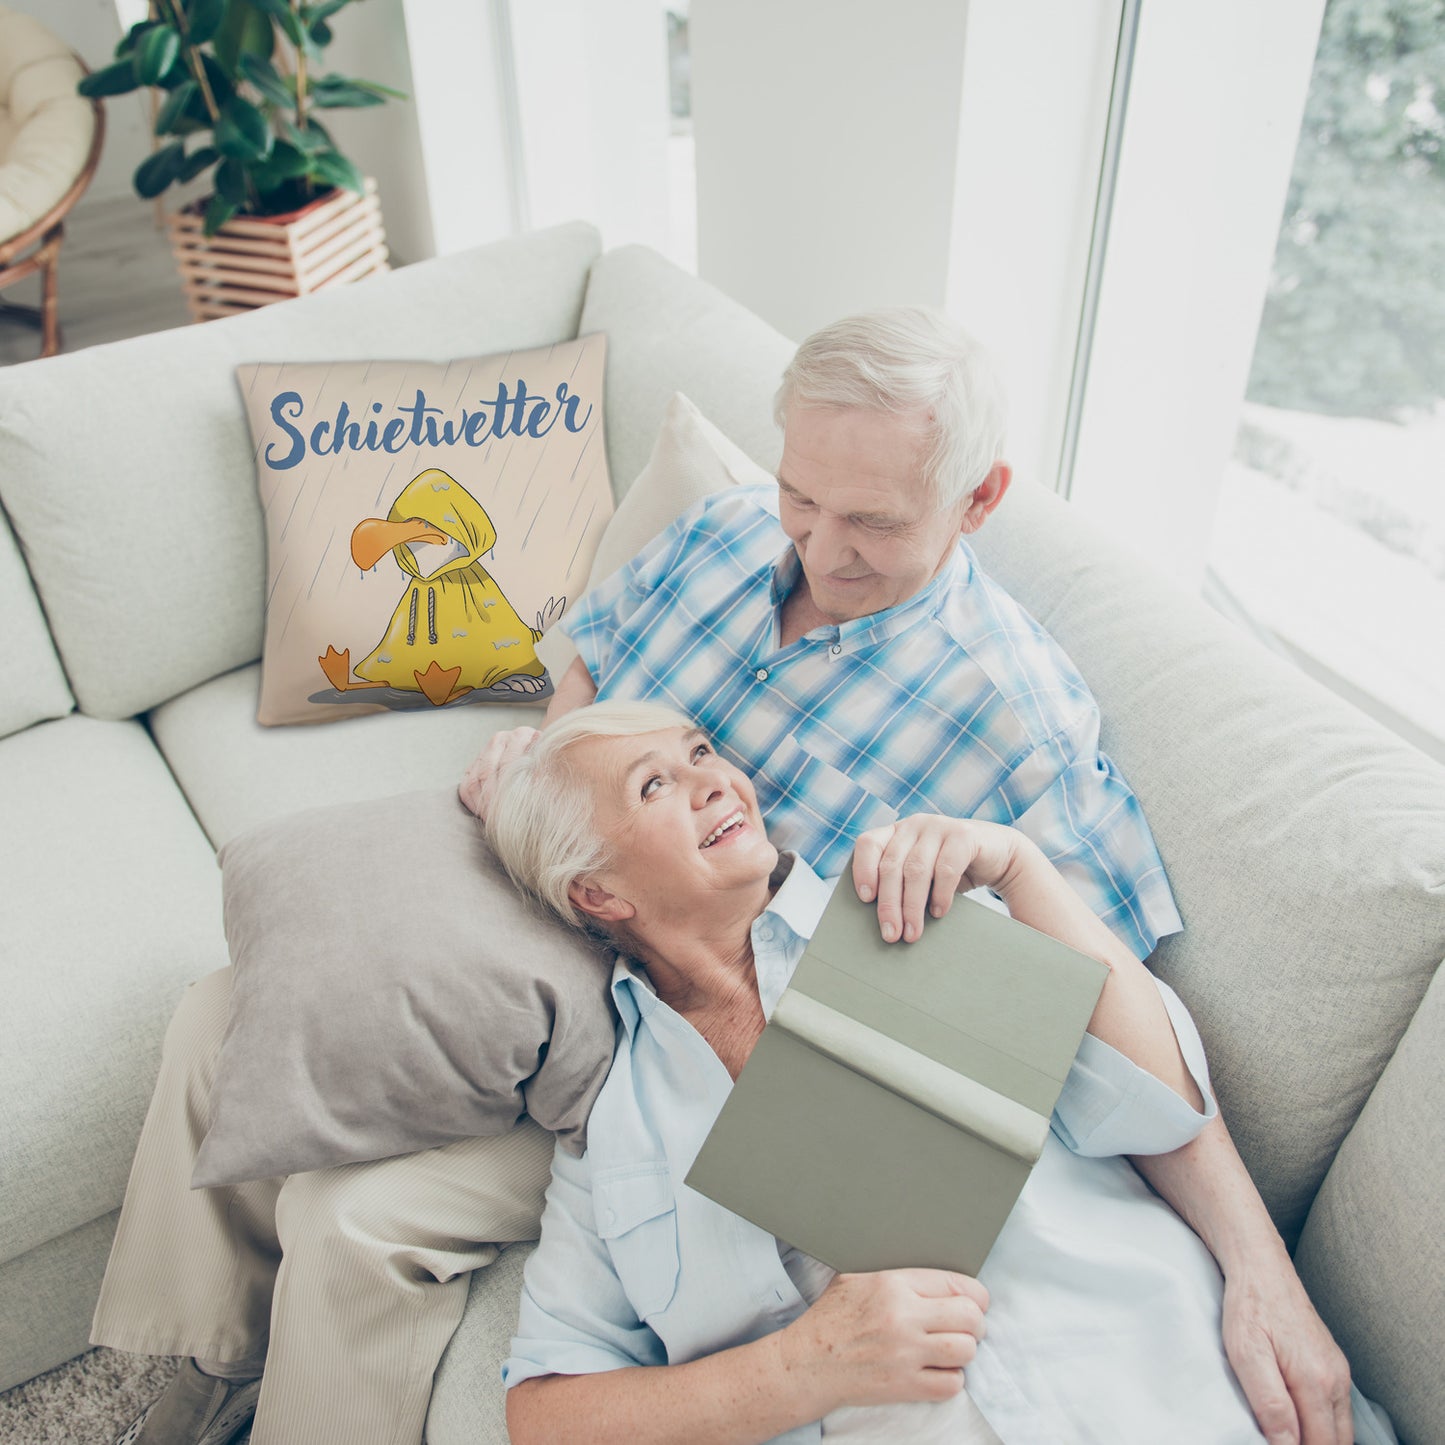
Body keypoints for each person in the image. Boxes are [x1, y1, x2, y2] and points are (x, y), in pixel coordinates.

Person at [94, 309, 1348, 1445]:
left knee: (354, 1218)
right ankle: (193, 1364)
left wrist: (1260, 1266)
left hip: (692, 1013)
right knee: (228, 1007)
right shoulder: (726, 532)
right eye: (804, 495)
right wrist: (544, 763)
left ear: (976, 501)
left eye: (871, 520)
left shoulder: (1016, 724)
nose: (818, 544)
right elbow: (591, 669)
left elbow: (1103, 1020)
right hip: (581, 888)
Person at [486, 700, 1381, 1445]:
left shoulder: (908, 907)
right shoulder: (615, 1132)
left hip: (1173, 1391)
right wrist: (802, 1367)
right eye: (655, 784)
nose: (715, 779)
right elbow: (545, 1413)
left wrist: (1021, 868)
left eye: (700, 752)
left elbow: (1158, 1105)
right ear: (597, 893)